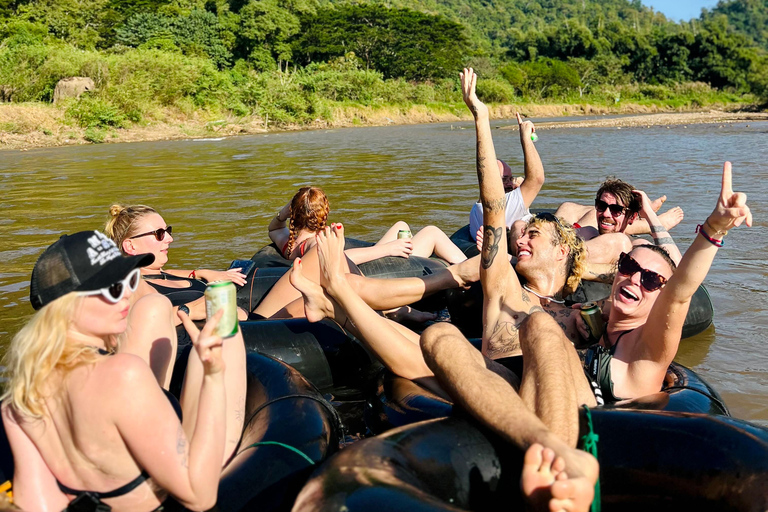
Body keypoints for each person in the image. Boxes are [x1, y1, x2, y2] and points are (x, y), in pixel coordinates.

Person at [419, 68, 752, 511]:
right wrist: (480, 118)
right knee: (438, 336)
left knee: (538, 326)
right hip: (530, 406)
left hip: (600, 430)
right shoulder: (591, 318)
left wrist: (713, 230)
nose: (634, 277)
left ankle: (560, 470)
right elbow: (495, 209)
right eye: (630, 267)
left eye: (650, 279)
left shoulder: (648, 343)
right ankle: (547, 452)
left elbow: (684, 291)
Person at [1, 231, 235, 511]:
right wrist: (213, 376)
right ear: (68, 307)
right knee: (230, 338)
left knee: (155, 304)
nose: (126, 294)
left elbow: (40, 503)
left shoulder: (21, 398)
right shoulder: (125, 374)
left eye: (129, 280)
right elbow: (199, 497)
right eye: (113, 289)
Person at [269, 186, 467, 265]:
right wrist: (389, 249)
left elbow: (274, 228)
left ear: (293, 213)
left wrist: (283, 213)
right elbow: (340, 259)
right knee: (431, 232)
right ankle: (470, 268)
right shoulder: (315, 243)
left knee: (401, 225)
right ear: (323, 214)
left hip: (369, 263)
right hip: (371, 273)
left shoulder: (289, 244)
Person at [468, 112, 545, 239]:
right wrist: (525, 138)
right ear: (489, 182)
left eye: (510, 178)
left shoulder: (476, 210)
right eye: (503, 180)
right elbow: (537, 178)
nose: (509, 184)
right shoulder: (502, 205)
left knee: (569, 208)